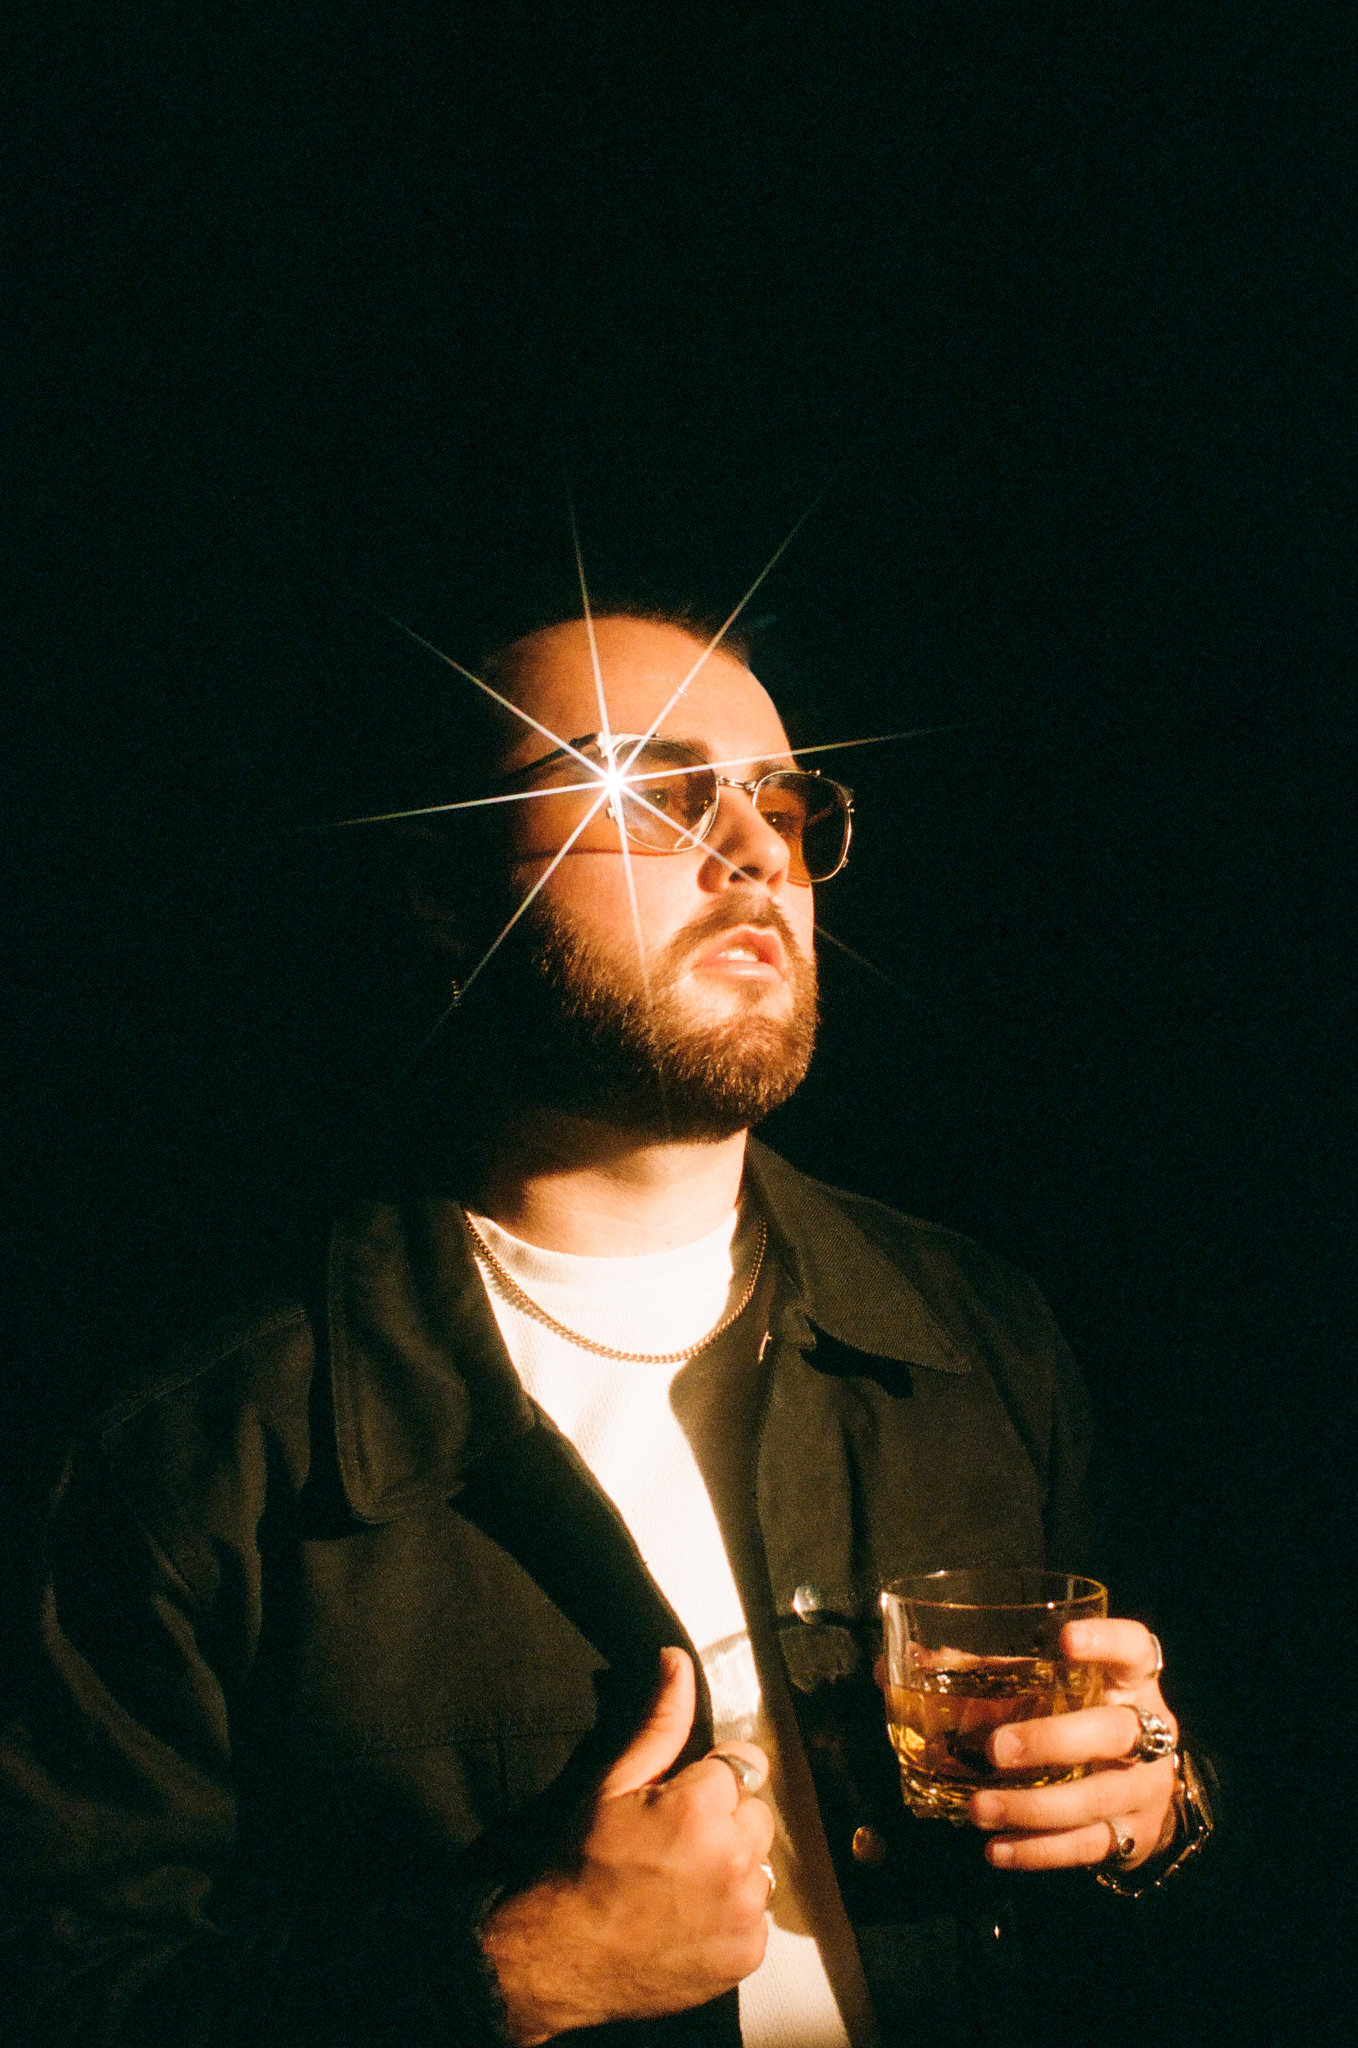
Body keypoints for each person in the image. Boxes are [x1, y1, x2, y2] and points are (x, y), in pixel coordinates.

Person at [0, 610, 1210, 2048]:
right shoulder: (197, 1453)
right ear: (442, 891)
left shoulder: (981, 1336)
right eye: (645, 791)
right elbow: (64, 1992)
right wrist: (509, 1972)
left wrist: (1156, 1814)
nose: (753, 852)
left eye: (781, 805)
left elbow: (1221, 1871)